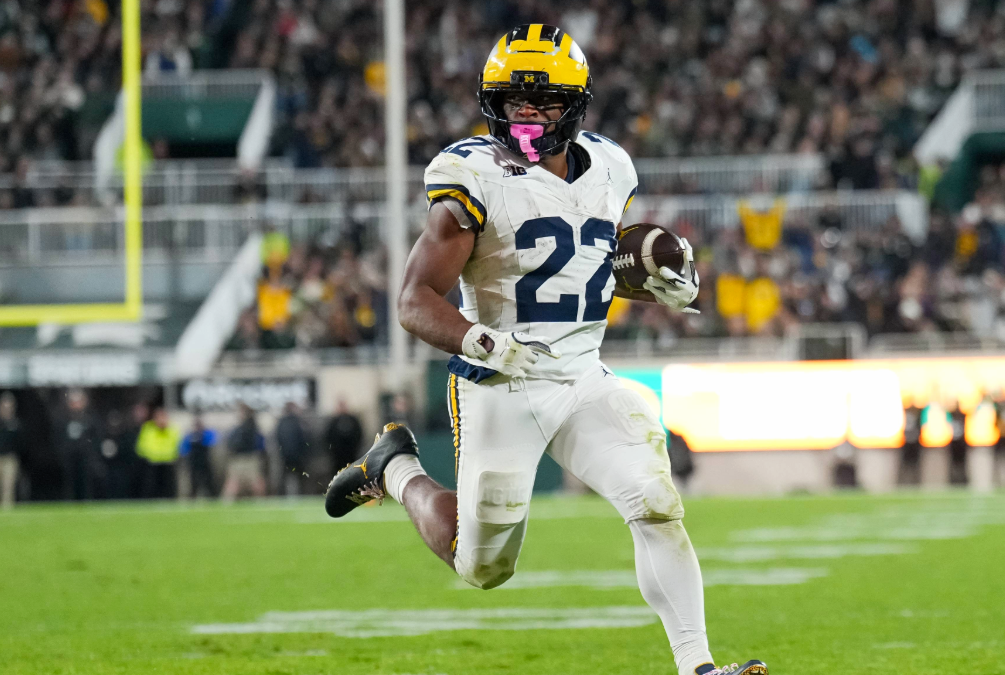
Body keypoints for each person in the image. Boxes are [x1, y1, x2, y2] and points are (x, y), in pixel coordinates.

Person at [323, 26, 764, 675]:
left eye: (542, 101)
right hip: (498, 382)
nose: (525, 114)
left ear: (575, 106)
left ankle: (697, 665)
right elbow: (414, 298)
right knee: (481, 565)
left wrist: (655, 280)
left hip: (581, 377)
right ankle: (395, 467)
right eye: (512, 100)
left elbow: (580, 267)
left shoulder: (612, 167)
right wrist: (482, 339)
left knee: (655, 499)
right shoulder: (473, 174)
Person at [56, 389, 101, 500]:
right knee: (69, 483)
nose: (76, 405)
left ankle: (86, 501)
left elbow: (96, 438)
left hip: (85, 458)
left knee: (86, 483)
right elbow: (58, 438)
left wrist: (92, 455)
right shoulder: (63, 419)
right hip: (69, 458)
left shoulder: (90, 418)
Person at [222, 403, 266, 501]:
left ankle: (261, 503)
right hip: (238, 459)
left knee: (255, 484)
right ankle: (227, 503)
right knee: (233, 484)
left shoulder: (250, 426)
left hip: (249, 458)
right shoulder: (240, 428)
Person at [136, 406, 180, 499]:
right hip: (153, 462)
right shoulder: (148, 428)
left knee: (168, 486)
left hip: (168, 462)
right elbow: (142, 445)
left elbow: (177, 444)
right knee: (151, 485)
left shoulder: (172, 429)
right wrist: (150, 455)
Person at [275, 402, 311, 497]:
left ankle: (287, 495)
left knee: (288, 477)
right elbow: (304, 439)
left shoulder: (282, 422)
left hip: (286, 456)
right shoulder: (297, 422)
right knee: (299, 477)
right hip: (295, 456)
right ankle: (297, 495)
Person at [179, 414, 218, 498]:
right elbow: (183, 449)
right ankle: (193, 497)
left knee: (208, 481)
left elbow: (213, 441)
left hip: (204, 462)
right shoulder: (189, 436)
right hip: (193, 463)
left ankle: (211, 496)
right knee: (193, 481)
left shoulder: (206, 434)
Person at [323, 398, 363, 469]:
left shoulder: (353, 420)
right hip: (337, 456)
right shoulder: (333, 422)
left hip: (351, 454)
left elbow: (359, 434)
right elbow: (328, 437)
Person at [898, 397, 923, 486]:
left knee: (915, 465)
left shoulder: (918, 413)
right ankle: (903, 483)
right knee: (905, 466)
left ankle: (915, 483)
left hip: (915, 444)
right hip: (906, 444)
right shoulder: (905, 411)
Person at [947, 399, 968, 486]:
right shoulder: (950, 414)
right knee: (953, 463)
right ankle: (953, 481)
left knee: (962, 464)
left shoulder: (963, 415)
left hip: (961, 443)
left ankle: (962, 481)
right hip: (953, 443)